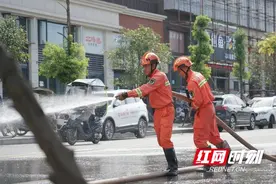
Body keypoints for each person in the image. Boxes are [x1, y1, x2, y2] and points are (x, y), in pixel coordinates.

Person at [116, 52, 178, 176]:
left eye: (146, 66)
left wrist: (127, 94)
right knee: (161, 141)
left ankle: (173, 167)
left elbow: (143, 89)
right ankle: (171, 165)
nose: (144, 69)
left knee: (165, 139)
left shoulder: (159, 76)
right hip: (158, 112)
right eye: (143, 66)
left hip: (166, 110)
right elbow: (144, 91)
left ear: (153, 65)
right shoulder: (153, 79)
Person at [172, 56, 232, 170]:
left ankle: (208, 164)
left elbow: (197, 102)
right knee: (212, 136)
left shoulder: (192, 82)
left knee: (199, 139)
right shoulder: (198, 75)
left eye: (179, 71)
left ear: (184, 68)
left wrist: (192, 106)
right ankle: (227, 155)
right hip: (209, 108)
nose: (179, 74)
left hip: (203, 110)